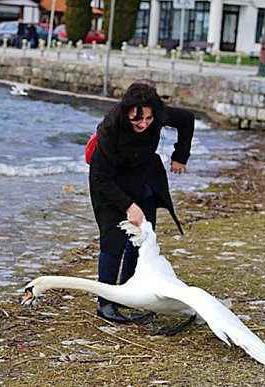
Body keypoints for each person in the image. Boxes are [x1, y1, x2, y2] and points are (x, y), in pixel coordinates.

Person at [88, 82, 194, 322]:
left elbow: (187, 119)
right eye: (137, 118)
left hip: (143, 177)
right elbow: (101, 178)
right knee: (113, 239)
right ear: (127, 112)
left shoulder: (157, 113)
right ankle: (106, 303)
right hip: (109, 183)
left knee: (143, 238)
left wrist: (180, 155)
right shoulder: (110, 128)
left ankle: (130, 292)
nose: (143, 123)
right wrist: (129, 207)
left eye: (148, 118)